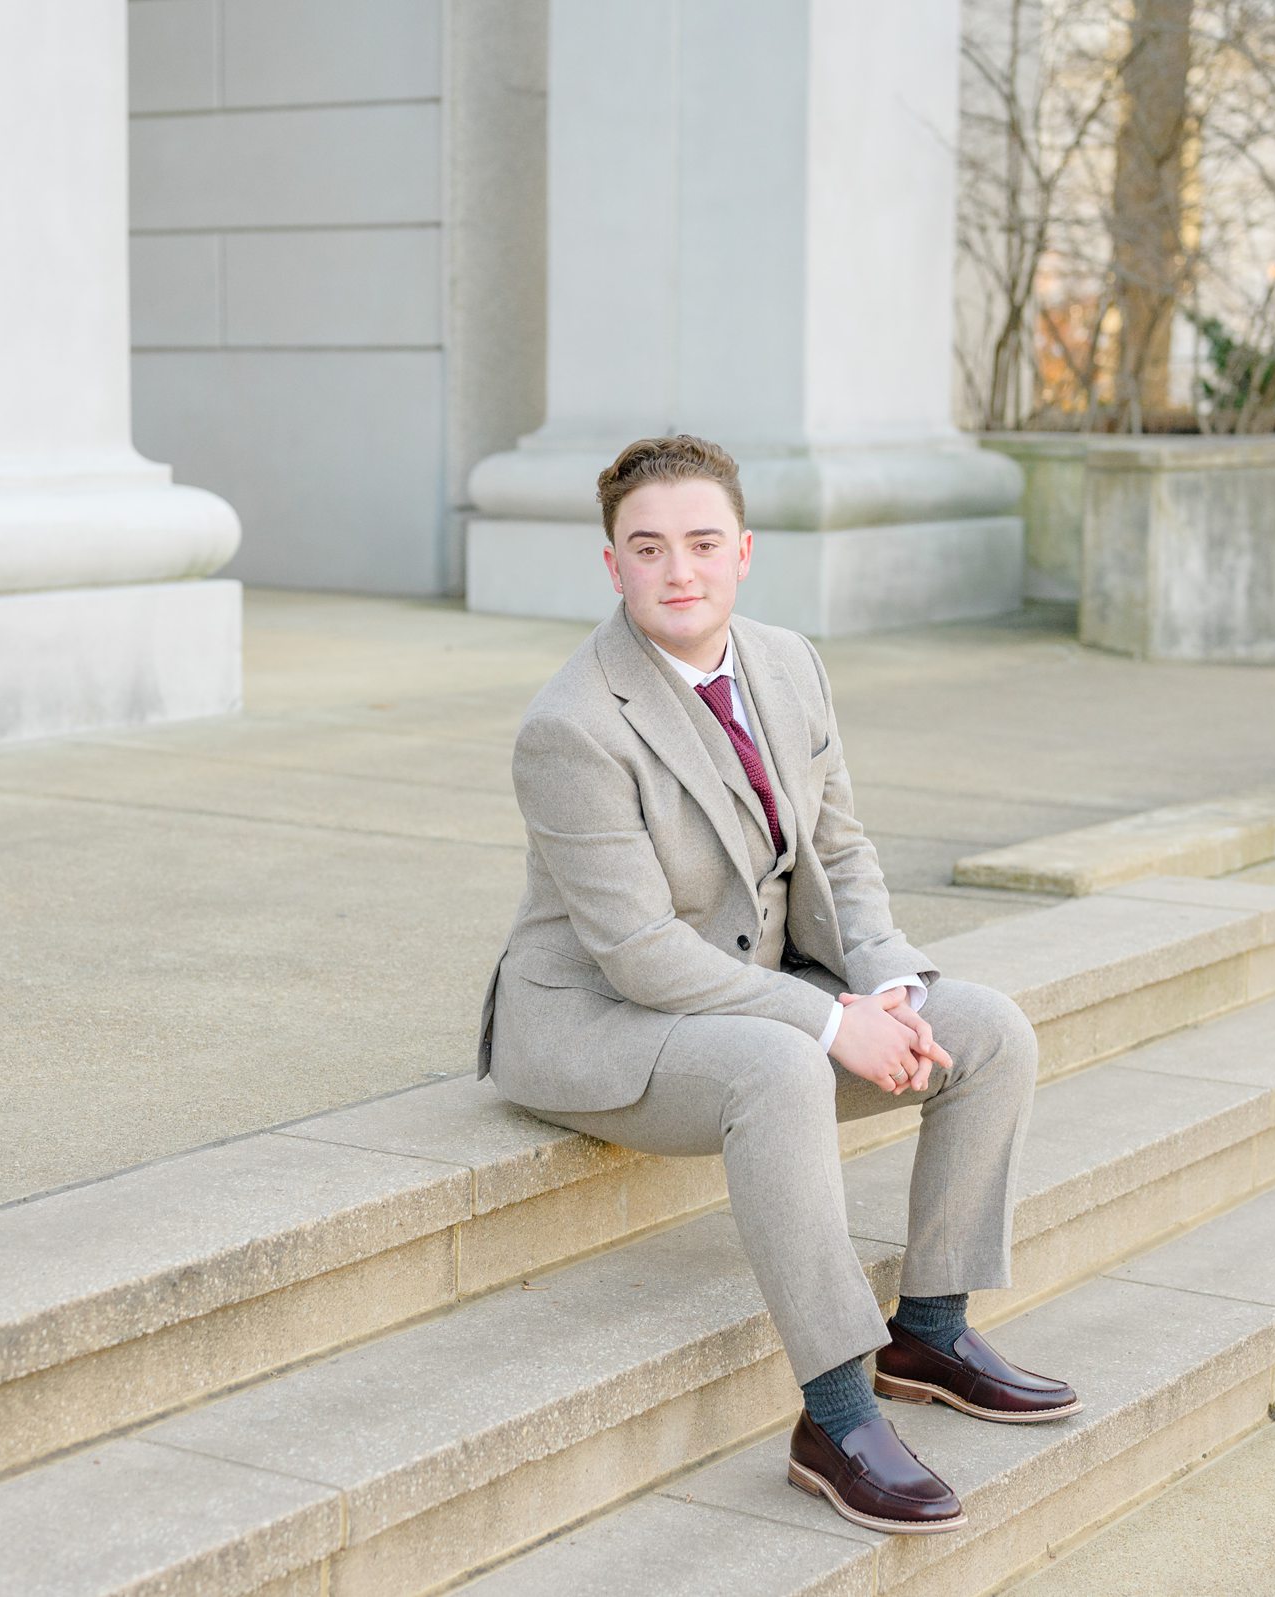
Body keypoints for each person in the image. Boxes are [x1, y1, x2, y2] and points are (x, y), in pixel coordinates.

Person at [473, 434, 1081, 1536]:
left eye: (703, 543)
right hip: (599, 1024)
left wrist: (887, 985)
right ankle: (836, 1414)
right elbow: (642, 954)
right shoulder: (568, 727)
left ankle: (930, 1333)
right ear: (613, 567)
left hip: (756, 982)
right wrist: (826, 1017)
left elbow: (842, 854)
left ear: (743, 551)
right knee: (779, 1068)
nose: (679, 570)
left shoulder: (790, 662)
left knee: (985, 1028)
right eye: (647, 548)